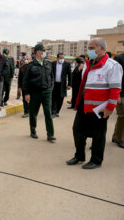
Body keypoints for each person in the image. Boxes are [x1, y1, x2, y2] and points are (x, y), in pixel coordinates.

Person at [67, 38, 123, 169]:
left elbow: (115, 89)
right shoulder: (88, 63)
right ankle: (79, 156)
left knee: (98, 135)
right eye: (88, 48)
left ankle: (96, 160)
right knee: (77, 131)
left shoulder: (112, 65)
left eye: (92, 48)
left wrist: (110, 107)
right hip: (84, 105)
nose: (89, 51)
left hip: (100, 108)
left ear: (102, 49)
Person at [23, 43, 56, 142]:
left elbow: (52, 77)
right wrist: (27, 93)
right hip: (34, 92)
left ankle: (50, 134)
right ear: (37, 52)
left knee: (48, 113)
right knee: (33, 113)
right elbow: (25, 81)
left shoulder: (48, 63)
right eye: (42, 51)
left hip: (47, 92)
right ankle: (33, 130)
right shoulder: (30, 65)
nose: (44, 52)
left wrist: (50, 88)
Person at [51, 53, 72, 117]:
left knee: (60, 98)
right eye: (60, 58)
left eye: (63, 58)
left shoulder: (67, 64)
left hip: (62, 85)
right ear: (57, 58)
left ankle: (57, 111)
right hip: (54, 84)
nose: (62, 59)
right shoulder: (52, 64)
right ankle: (53, 112)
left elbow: (70, 75)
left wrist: (69, 84)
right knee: (53, 98)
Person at [112, 52, 124, 148]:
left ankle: (116, 136)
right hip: (121, 93)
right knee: (122, 117)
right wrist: (117, 94)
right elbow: (115, 78)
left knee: (122, 116)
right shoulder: (118, 58)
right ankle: (120, 139)